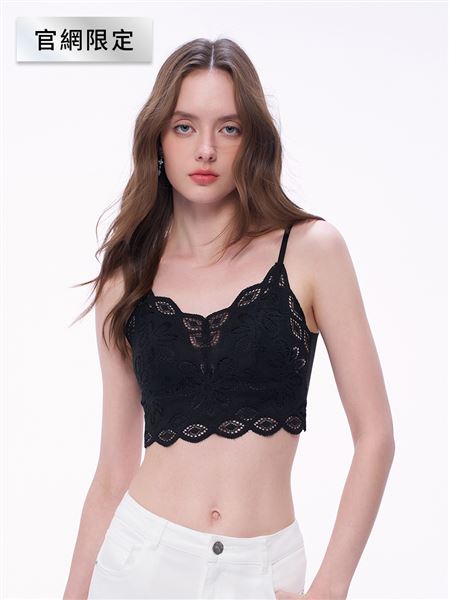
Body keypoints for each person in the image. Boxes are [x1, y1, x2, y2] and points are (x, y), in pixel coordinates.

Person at [63, 38, 395, 600]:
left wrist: (330, 587)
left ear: (253, 140)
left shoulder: (312, 251)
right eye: (184, 127)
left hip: (262, 571)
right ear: (158, 140)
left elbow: (376, 435)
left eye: (229, 128)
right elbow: (113, 472)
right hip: (140, 561)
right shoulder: (126, 277)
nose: (206, 149)